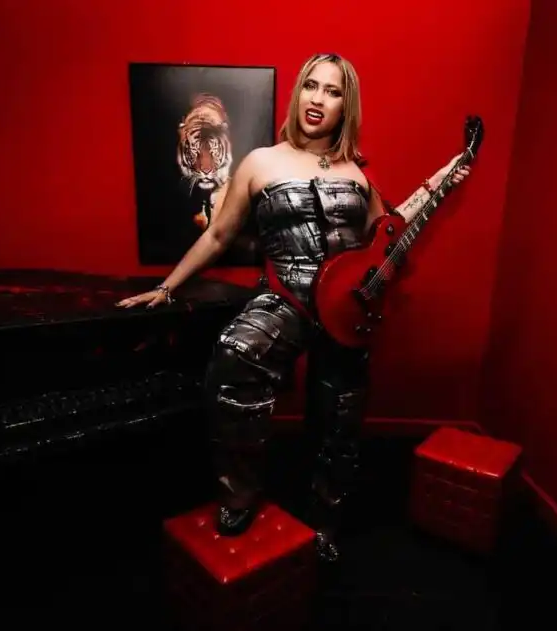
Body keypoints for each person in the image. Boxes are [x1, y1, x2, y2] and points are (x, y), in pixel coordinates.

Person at [117, 52, 471, 562]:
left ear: (345, 105)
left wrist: (439, 183)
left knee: (341, 416)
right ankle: (239, 494)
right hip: (285, 298)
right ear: (297, 93)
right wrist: (168, 287)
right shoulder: (262, 161)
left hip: (347, 307)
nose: (318, 99)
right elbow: (218, 234)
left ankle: (325, 519)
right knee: (234, 356)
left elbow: (387, 230)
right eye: (312, 85)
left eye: (333, 91)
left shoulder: (355, 172)